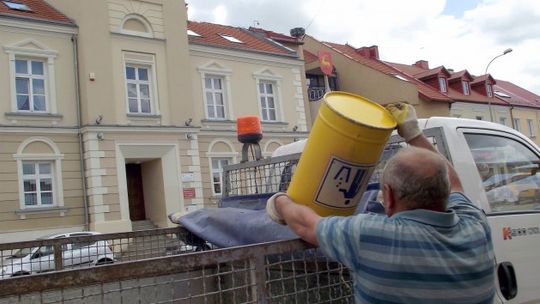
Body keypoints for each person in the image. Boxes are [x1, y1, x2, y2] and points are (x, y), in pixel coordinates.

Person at [266, 102, 496, 304]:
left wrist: (281, 202)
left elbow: (306, 225)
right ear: (443, 190)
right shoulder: (476, 227)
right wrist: (414, 134)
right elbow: (455, 183)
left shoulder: (371, 236)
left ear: (389, 195)